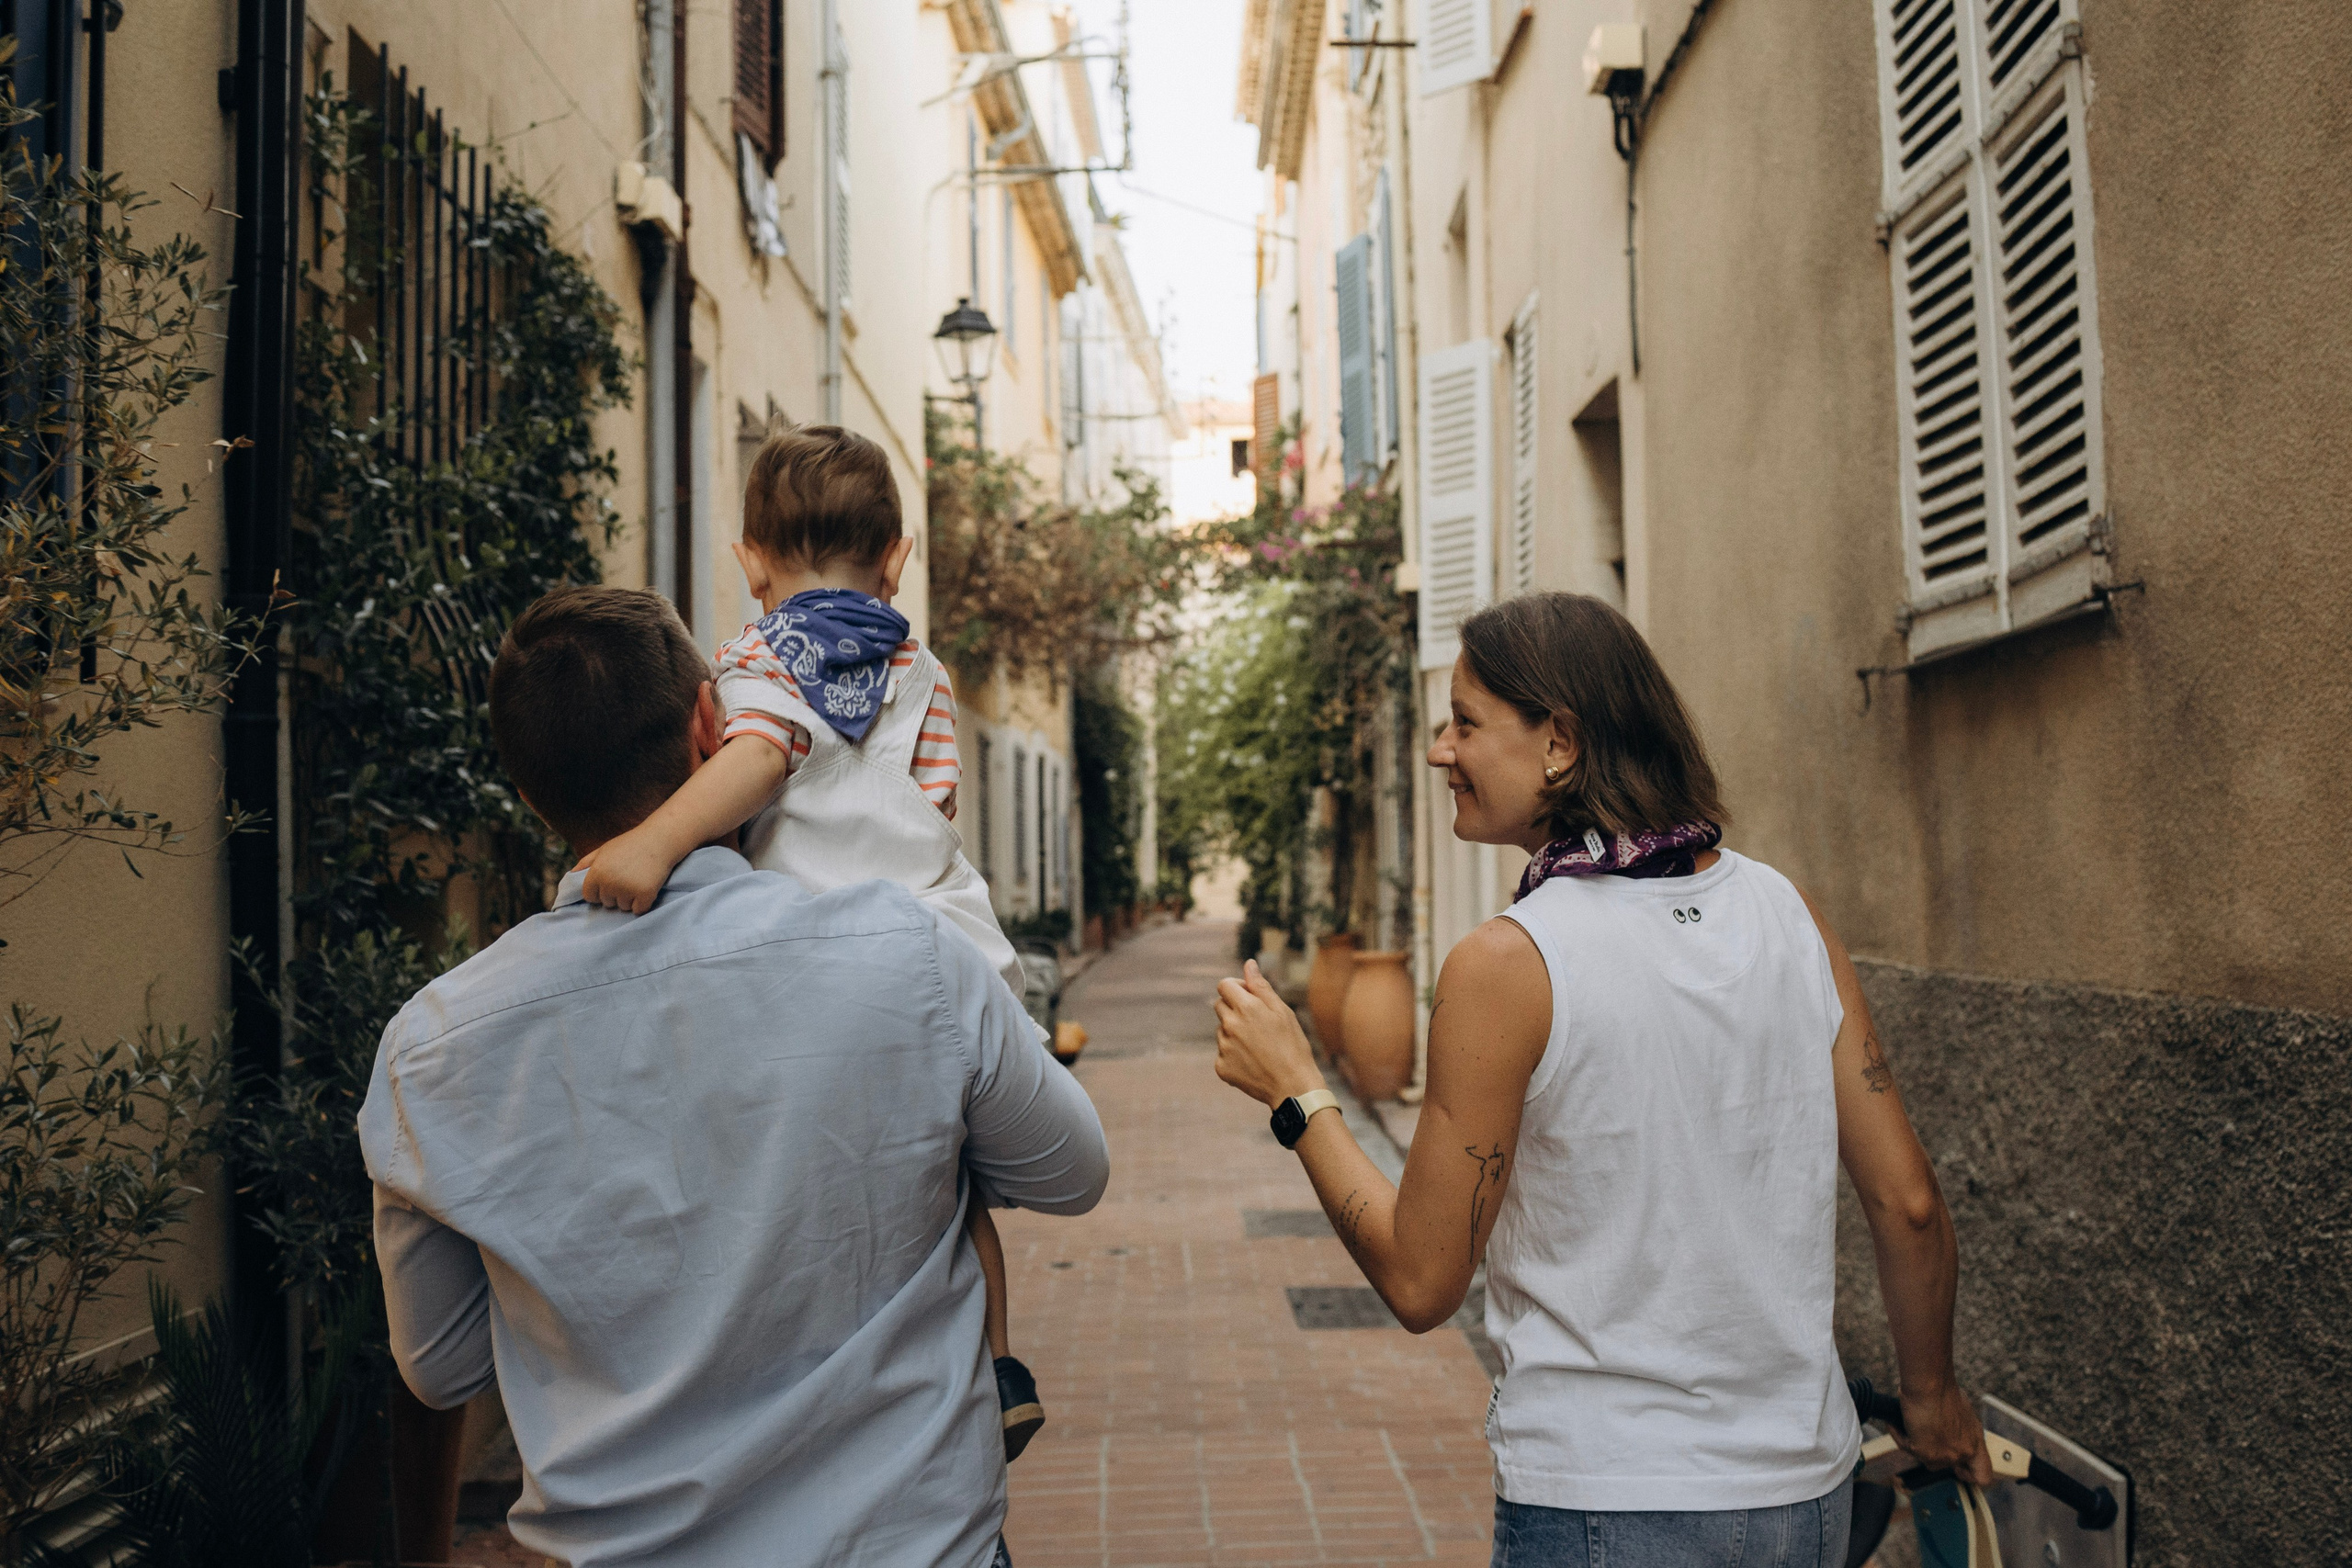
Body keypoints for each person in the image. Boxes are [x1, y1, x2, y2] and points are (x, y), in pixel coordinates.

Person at [1209, 592, 1993, 1567]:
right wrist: (1932, 1402)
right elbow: (1908, 1203)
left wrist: (1297, 1092)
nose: (1439, 750)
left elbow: (1420, 1278)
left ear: (1560, 743)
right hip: (1807, 1497)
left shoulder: (1509, 964)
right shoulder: (1788, 915)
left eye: (1465, 722)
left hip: (1610, 1503)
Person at [358, 584, 1107, 1566]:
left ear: (529, 791)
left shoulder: (433, 1049)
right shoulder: (903, 954)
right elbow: (1070, 1171)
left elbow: (443, 1365)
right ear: (711, 726)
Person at [575, 424, 1048, 1457]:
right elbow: (936, 806)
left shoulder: (758, 660)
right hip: (935, 943)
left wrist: (653, 843)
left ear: (749, 561)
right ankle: (998, 1361)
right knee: (949, 1181)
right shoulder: (920, 669)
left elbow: (762, 758)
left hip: (804, 953)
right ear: (896, 560)